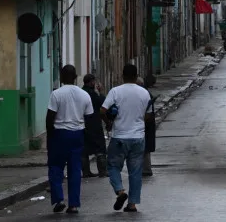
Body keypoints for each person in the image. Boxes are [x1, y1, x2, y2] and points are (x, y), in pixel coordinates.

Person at [101, 64, 152, 213]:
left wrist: (109, 123)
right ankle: (132, 204)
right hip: (138, 137)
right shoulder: (144, 93)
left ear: (122, 76)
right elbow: (148, 115)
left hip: (119, 137)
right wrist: (139, 122)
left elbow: (102, 110)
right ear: (136, 76)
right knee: (135, 172)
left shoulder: (115, 91)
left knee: (113, 166)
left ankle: (120, 191)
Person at [46, 64, 94, 214]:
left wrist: (50, 136)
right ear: (75, 77)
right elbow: (89, 118)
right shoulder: (84, 95)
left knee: (55, 167)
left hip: (59, 134)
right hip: (77, 134)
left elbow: (50, 118)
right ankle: (73, 205)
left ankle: (59, 199)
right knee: (75, 170)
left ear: (61, 77)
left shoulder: (56, 94)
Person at [81, 74, 108, 178]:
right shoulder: (93, 94)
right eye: (94, 81)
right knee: (100, 148)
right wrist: (100, 92)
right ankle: (102, 171)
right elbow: (103, 105)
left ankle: (86, 172)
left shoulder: (81, 93)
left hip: (83, 124)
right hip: (95, 124)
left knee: (84, 149)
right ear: (91, 82)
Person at [136, 77, 156, 177]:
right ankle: (145, 168)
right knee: (144, 147)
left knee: (145, 147)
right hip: (146, 124)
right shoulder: (145, 93)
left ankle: (146, 169)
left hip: (146, 125)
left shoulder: (144, 94)